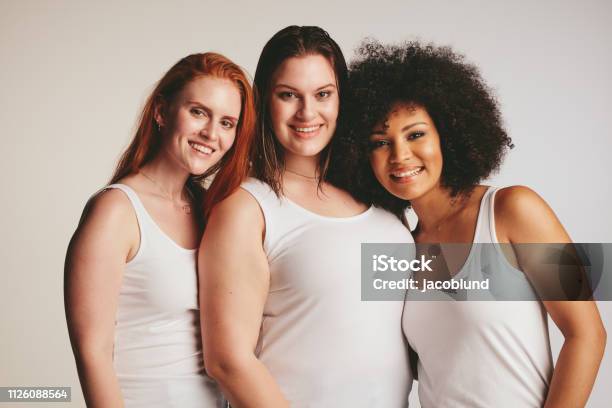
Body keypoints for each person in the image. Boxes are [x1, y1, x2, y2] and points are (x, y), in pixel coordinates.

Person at [342, 40, 607, 407]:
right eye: (380, 142)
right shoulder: (399, 245)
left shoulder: (513, 210)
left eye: (415, 134)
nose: (400, 155)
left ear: (446, 134)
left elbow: (587, 335)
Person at [199, 26, 413, 407]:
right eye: (288, 95)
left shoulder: (381, 202)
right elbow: (227, 360)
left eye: (323, 94)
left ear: (341, 99)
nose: (307, 112)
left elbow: (444, 307)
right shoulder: (247, 207)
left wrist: (530, 251)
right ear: (265, 101)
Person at [64, 52, 255, 408]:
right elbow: (93, 354)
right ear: (162, 112)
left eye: (227, 122)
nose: (211, 134)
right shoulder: (116, 212)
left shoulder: (211, 211)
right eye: (198, 112)